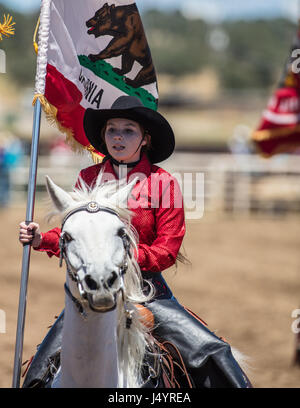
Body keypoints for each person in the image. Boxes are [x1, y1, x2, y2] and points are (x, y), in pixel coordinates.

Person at [19, 96, 251, 388]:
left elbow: (167, 250)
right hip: (93, 286)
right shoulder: (89, 177)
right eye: (111, 129)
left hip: (148, 291)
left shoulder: (162, 182)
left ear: (145, 139)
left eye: (128, 130)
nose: (118, 136)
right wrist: (41, 239)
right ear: (103, 137)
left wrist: (120, 258)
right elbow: (74, 233)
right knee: (41, 363)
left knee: (212, 352)